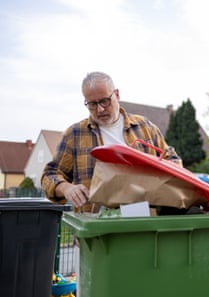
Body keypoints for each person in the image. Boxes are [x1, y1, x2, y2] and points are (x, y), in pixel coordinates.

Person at [41, 71, 182, 212]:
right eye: (92, 104)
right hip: (96, 226)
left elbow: (174, 162)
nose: (100, 109)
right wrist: (66, 188)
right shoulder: (74, 135)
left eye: (104, 101)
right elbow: (49, 175)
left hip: (143, 224)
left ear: (117, 94)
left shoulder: (145, 127)